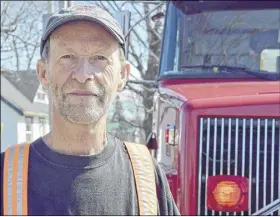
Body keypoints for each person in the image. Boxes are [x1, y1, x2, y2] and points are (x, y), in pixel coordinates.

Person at [0, 5, 180, 216]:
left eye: (99, 58)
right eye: (67, 56)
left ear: (122, 75)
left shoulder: (147, 177)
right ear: (43, 73)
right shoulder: (6, 176)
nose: (83, 74)